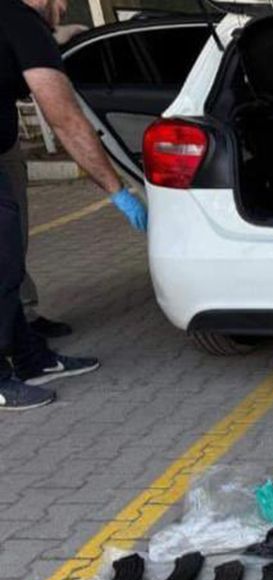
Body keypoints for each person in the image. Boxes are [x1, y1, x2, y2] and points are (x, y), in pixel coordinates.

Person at [1, 0, 148, 411]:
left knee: (7, 263)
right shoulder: (20, 21)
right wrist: (118, 191)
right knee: (2, 264)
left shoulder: (14, 22)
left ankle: (30, 358)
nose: (64, 8)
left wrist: (58, 39)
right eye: (62, 1)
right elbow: (64, 119)